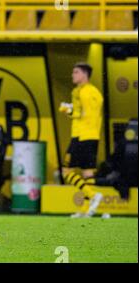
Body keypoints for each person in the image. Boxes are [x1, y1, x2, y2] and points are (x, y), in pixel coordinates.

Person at [59, 62, 104, 218]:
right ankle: (86, 210)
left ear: (84, 74)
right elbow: (85, 114)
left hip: (82, 136)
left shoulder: (84, 92)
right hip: (92, 136)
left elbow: (84, 114)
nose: (73, 75)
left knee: (66, 171)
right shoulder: (89, 92)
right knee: (87, 173)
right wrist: (71, 110)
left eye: (76, 72)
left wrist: (68, 110)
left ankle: (92, 195)